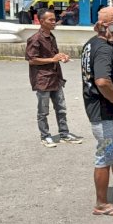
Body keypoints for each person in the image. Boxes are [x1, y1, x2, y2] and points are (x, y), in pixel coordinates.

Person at [80, 6, 113, 216]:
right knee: (105, 156)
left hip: (110, 113)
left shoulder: (92, 44)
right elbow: (102, 81)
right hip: (105, 112)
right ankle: (101, 204)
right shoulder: (103, 49)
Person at [25, 8, 83, 147]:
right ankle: (45, 136)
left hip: (55, 78)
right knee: (43, 111)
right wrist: (52, 59)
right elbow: (31, 59)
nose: (54, 22)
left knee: (61, 108)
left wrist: (62, 56)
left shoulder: (51, 37)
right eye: (50, 20)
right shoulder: (35, 39)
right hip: (43, 80)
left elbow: (54, 55)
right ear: (41, 21)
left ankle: (64, 133)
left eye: (54, 19)